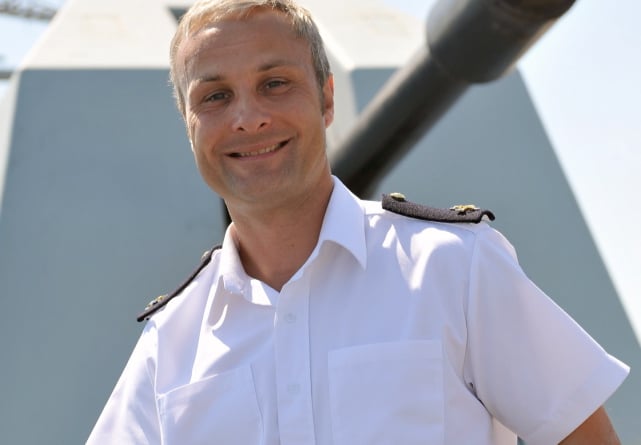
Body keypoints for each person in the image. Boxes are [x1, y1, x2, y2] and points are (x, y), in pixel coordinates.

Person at [87, 0, 629, 443]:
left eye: (275, 83)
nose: (248, 117)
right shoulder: (171, 345)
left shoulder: (453, 269)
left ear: (326, 99)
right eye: (215, 96)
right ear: (189, 126)